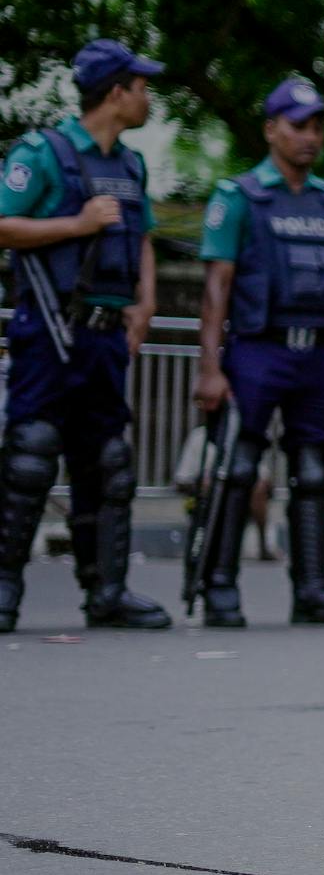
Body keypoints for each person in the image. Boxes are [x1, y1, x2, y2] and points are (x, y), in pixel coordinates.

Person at [190, 77, 324, 628]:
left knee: (315, 471)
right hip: (257, 351)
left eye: (317, 126)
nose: (309, 136)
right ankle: (220, 588)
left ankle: (313, 591)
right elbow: (215, 289)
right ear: (271, 129)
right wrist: (208, 368)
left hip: (318, 355)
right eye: (298, 125)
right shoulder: (240, 196)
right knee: (239, 466)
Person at [0, 39, 171, 632]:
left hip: (104, 337)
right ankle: (4, 593)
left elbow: (142, 236)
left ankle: (108, 593)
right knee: (30, 460)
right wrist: (77, 222)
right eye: (142, 86)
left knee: (109, 463)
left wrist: (145, 302)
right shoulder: (43, 153)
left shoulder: (130, 163)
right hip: (49, 331)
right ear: (116, 93)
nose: (148, 96)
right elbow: (3, 224)